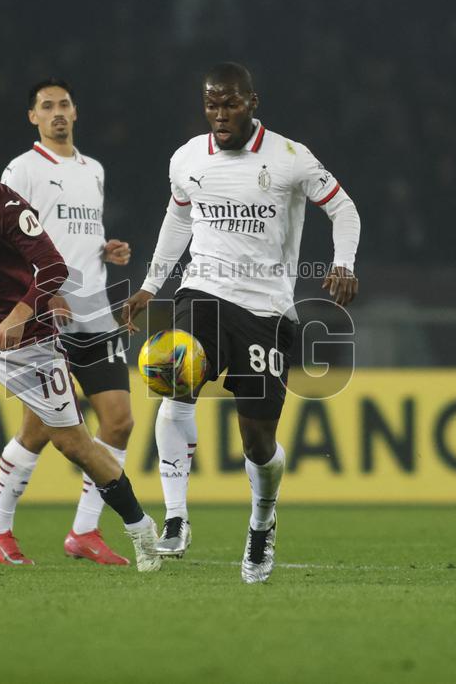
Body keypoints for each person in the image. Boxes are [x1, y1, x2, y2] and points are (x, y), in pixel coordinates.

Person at [122, 63, 361, 583]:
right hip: (202, 290)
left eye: (230, 103)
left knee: (257, 439)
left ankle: (262, 521)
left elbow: (344, 210)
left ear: (253, 102)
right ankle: (177, 517)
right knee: (172, 378)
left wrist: (343, 263)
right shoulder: (186, 158)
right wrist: (150, 285)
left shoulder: (291, 158)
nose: (220, 114)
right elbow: (179, 218)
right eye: (212, 104)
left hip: (266, 309)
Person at [0, 116, 160, 572]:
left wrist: (21, 315)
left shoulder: (3, 206)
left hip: (30, 341)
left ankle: (141, 530)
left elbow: (55, 268)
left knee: (75, 444)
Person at [0, 78, 134, 566]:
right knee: (40, 427)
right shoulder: (22, 169)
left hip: (95, 313)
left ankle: (85, 531)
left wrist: (104, 249)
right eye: (46, 106)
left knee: (119, 422)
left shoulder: (94, 170)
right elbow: (1, 242)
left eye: (63, 105)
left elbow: (69, 233)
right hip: (43, 316)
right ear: (33, 117)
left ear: (76, 112)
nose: (57, 112)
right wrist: (48, 292)